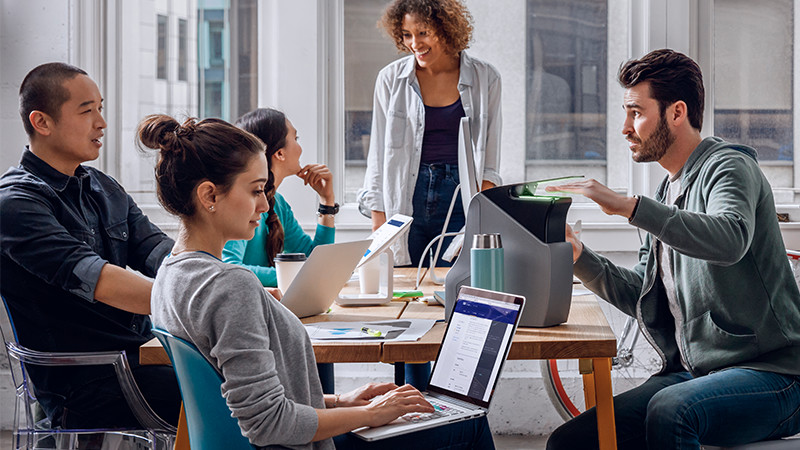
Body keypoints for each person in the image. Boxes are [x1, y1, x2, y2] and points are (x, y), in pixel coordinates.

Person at [141, 113, 495, 449]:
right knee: (470, 423)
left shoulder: (169, 275)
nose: (265, 205)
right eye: (254, 191)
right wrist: (370, 415)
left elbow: (241, 397)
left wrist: (342, 401)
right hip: (294, 447)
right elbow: (268, 423)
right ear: (209, 196)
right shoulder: (231, 286)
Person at [544, 49, 800, 449]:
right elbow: (641, 296)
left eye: (636, 112)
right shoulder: (666, 193)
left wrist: (628, 207)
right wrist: (579, 256)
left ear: (676, 112)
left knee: (671, 409)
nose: (626, 127)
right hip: (694, 375)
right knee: (572, 442)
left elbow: (730, 239)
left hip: (772, 374)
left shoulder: (729, 167)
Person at [0, 63, 180, 428]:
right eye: (87, 111)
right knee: (238, 397)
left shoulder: (103, 187)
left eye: (100, 108)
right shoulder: (15, 203)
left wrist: (220, 280)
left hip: (143, 357)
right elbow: (101, 281)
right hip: (87, 382)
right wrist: (199, 300)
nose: (101, 122)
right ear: (42, 122)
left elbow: (161, 253)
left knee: (267, 378)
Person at [357, 0, 502, 269]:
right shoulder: (390, 79)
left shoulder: (486, 79)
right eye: (407, 35)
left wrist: (477, 222)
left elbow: (489, 165)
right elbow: (378, 156)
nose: (415, 43)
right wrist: (379, 225)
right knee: (404, 291)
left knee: (458, 288)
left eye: (423, 33)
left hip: (460, 199)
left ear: (446, 29)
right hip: (404, 198)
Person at [224, 107, 337, 393]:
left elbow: (315, 263)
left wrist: (327, 203)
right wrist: (289, 277)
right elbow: (230, 268)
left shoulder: (278, 204)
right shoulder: (243, 206)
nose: (301, 146)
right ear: (280, 154)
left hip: (276, 320)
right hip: (253, 330)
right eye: (295, 137)